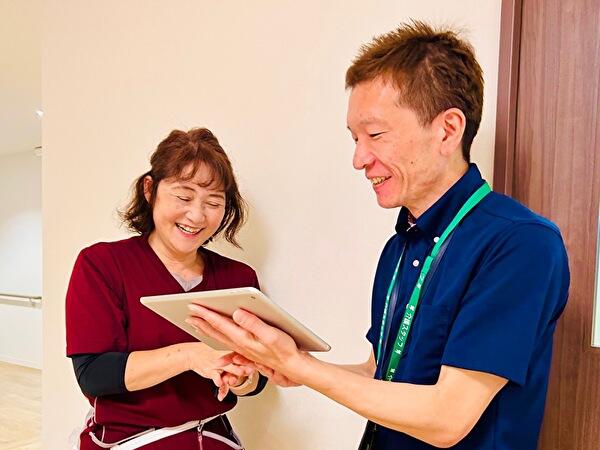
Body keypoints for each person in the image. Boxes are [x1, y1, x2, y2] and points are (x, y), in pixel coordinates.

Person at [187, 21, 570, 450]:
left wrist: (299, 364)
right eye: (355, 138)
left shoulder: (521, 243)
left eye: (375, 134)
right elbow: (379, 374)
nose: (359, 158)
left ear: (447, 130)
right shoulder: (401, 246)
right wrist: (292, 366)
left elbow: (447, 418)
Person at [66, 128, 266, 449]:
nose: (197, 215)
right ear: (150, 189)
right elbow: (93, 374)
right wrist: (190, 355)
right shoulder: (102, 264)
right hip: (129, 440)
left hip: (215, 439)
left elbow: (259, 378)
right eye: (184, 197)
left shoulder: (238, 278)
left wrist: (242, 378)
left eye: (213, 202)